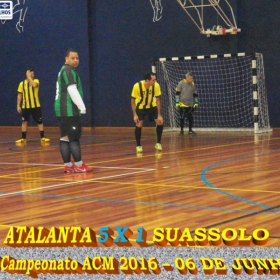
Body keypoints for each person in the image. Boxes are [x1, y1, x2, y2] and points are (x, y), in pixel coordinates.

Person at [54, 49, 93, 173]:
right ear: (66, 59)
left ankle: (68, 165)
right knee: (74, 138)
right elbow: (72, 90)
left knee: (64, 138)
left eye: (77, 58)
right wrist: (82, 106)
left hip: (61, 110)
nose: (75, 60)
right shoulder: (68, 71)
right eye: (72, 58)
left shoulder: (63, 70)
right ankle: (79, 165)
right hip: (69, 110)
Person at [131, 72, 164, 153]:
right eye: (153, 80)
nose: (155, 81)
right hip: (140, 107)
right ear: (147, 80)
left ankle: (158, 143)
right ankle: (138, 145)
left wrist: (159, 115)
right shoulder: (137, 86)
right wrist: (135, 115)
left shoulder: (156, 85)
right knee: (139, 123)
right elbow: (132, 101)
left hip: (152, 106)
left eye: (155, 80)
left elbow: (158, 101)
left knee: (160, 122)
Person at [16, 69, 50, 143]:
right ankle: (23, 138)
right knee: (24, 121)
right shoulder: (22, 84)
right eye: (31, 74)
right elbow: (19, 95)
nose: (33, 75)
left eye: (33, 74)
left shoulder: (36, 81)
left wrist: (29, 77)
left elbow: (34, 85)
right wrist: (18, 105)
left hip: (35, 105)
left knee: (39, 121)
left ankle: (42, 137)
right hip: (25, 106)